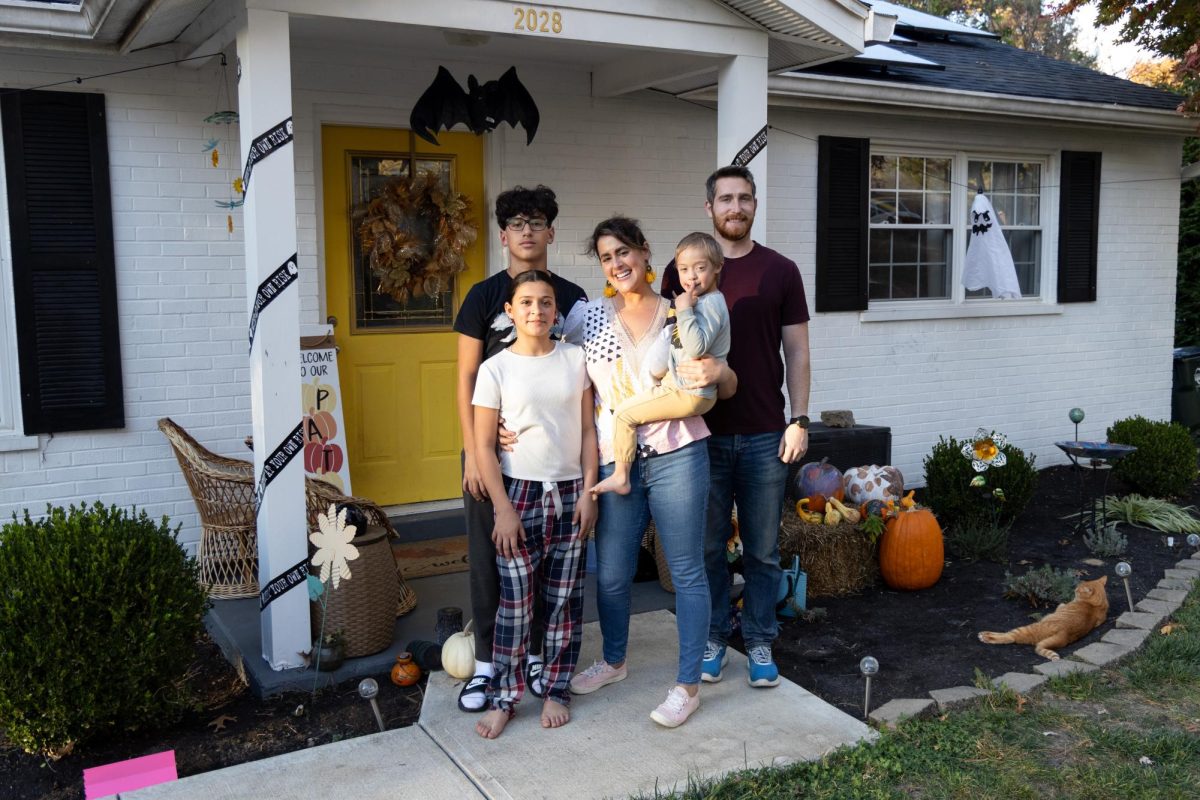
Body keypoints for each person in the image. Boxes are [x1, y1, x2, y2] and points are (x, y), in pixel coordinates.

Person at [561, 217, 736, 729]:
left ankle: (686, 686)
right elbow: (547, 363)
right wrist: (506, 421)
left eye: (624, 252)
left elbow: (721, 378)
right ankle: (614, 661)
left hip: (678, 452)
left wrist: (723, 374)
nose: (617, 264)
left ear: (644, 252)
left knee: (686, 571)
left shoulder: (683, 307)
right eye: (606, 257)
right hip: (617, 461)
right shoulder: (586, 316)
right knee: (612, 574)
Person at [662, 166, 811, 688]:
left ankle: (761, 640)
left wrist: (799, 419)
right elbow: (664, 345)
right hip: (697, 435)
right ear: (710, 207)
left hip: (766, 430)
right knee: (705, 548)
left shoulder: (781, 271)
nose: (736, 207)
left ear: (754, 204)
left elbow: (796, 351)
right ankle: (714, 638)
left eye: (744, 198)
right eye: (725, 198)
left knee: (762, 550)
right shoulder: (683, 269)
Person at [454, 186, 588, 713]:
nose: (526, 230)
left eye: (537, 221)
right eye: (515, 222)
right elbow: (467, 376)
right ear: (502, 234)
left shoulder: (574, 297)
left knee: (549, 565)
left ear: (551, 232)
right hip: (493, 455)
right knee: (494, 556)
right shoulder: (483, 296)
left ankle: (537, 655)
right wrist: (473, 450)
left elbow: (582, 372)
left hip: (554, 463)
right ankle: (488, 661)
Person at [471, 269, 598, 739]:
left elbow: (587, 431)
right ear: (510, 310)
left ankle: (557, 690)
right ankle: (505, 697)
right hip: (519, 494)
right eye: (526, 302)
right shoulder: (496, 369)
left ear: (556, 310)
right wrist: (502, 507)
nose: (537, 311)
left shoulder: (575, 359)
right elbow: (484, 445)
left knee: (564, 600)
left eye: (545, 302)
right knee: (516, 605)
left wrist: (588, 492)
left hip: (568, 494)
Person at [589, 232, 730, 498]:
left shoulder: (710, 303)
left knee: (623, 414)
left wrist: (683, 309)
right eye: (684, 270)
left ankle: (621, 476)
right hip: (681, 389)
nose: (692, 277)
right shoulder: (694, 303)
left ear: (717, 267)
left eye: (700, 268)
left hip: (690, 394)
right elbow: (672, 347)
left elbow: (696, 347)